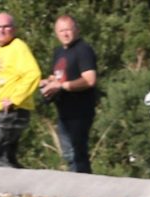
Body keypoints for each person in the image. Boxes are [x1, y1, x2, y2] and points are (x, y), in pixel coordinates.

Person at [0, 13, 41, 168]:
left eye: (6, 26)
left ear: (14, 29)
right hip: (6, 110)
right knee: (6, 158)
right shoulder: (2, 49)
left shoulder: (17, 47)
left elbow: (33, 73)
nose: (2, 30)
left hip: (13, 110)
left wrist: (14, 99)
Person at [39, 15, 98, 174]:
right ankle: (76, 186)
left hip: (80, 111)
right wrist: (48, 82)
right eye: (61, 30)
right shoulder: (59, 52)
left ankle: (83, 188)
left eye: (68, 30)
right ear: (56, 33)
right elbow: (59, 76)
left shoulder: (83, 49)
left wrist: (62, 86)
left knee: (77, 154)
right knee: (68, 154)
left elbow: (90, 80)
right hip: (64, 111)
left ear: (76, 30)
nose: (65, 34)